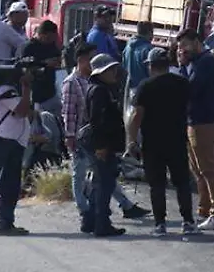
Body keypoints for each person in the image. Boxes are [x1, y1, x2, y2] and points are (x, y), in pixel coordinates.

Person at [61, 42, 149, 227]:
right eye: (109, 70)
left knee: (103, 179)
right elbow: (87, 118)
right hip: (87, 140)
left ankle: (106, 213)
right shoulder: (82, 85)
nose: (114, 74)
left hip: (95, 141)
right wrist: (74, 137)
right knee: (88, 177)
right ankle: (91, 216)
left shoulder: (97, 86)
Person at [128, 47, 196, 237]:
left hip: (153, 143)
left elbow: (136, 115)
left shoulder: (145, 86)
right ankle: (188, 221)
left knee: (156, 184)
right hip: (177, 140)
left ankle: (160, 224)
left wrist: (131, 141)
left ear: (151, 66)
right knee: (182, 182)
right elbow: (190, 107)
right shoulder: (183, 83)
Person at [176, 28, 214, 229]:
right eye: (180, 48)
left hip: (204, 122)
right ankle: (204, 208)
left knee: (208, 169)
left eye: (185, 46)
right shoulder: (197, 62)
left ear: (196, 42)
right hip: (195, 121)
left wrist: (182, 67)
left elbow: (189, 89)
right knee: (198, 170)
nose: (183, 50)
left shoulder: (205, 62)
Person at [83, 54, 128, 237]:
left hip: (102, 143)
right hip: (102, 144)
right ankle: (101, 224)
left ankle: (90, 221)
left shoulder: (101, 88)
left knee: (98, 183)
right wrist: (101, 146)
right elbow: (97, 121)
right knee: (104, 185)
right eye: (109, 69)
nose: (114, 72)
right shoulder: (99, 91)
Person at [0, 67, 33, 236]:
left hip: (5, 139)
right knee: (8, 183)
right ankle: (5, 223)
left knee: (3, 181)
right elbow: (21, 111)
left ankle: (2, 220)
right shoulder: (6, 92)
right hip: (9, 140)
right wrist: (27, 88)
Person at [20, 20, 63, 119]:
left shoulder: (52, 46)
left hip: (51, 92)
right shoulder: (29, 47)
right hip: (35, 95)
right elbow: (25, 69)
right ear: (41, 34)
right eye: (48, 38)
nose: (50, 41)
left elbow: (58, 59)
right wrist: (45, 63)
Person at [123, 21, 155, 108]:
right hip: (143, 91)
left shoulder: (127, 47)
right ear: (149, 32)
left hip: (129, 89)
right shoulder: (148, 49)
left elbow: (124, 66)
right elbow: (151, 73)